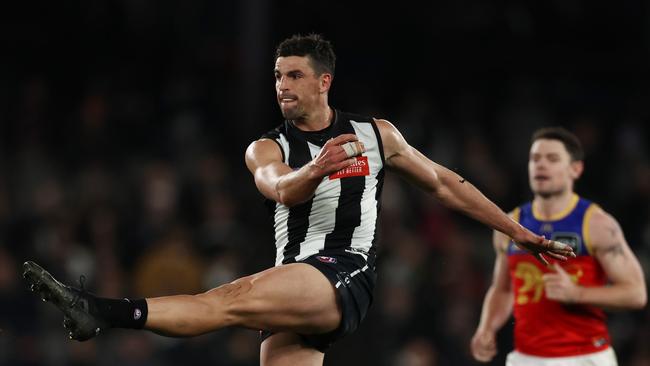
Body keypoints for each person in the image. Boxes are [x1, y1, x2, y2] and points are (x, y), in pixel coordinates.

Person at [23, 34, 575, 366]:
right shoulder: (267, 146)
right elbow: (279, 186)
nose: (282, 85)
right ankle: (98, 312)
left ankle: (100, 311)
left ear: (324, 82)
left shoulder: (376, 135)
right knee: (229, 302)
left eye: (293, 76)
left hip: (342, 272)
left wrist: (520, 232)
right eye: (277, 76)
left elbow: (446, 184)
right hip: (295, 282)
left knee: (229, 300)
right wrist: (316, 168)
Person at [470, 127, 647, 365]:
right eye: (535, 159)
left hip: (585, 357)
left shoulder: (596, 224)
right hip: (526, 358)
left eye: (552, 159)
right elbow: (503, 290)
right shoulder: (510, 225)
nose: (541, 165)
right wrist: (487, 327)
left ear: (576, 169)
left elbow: (636, 293)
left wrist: (577, 293)